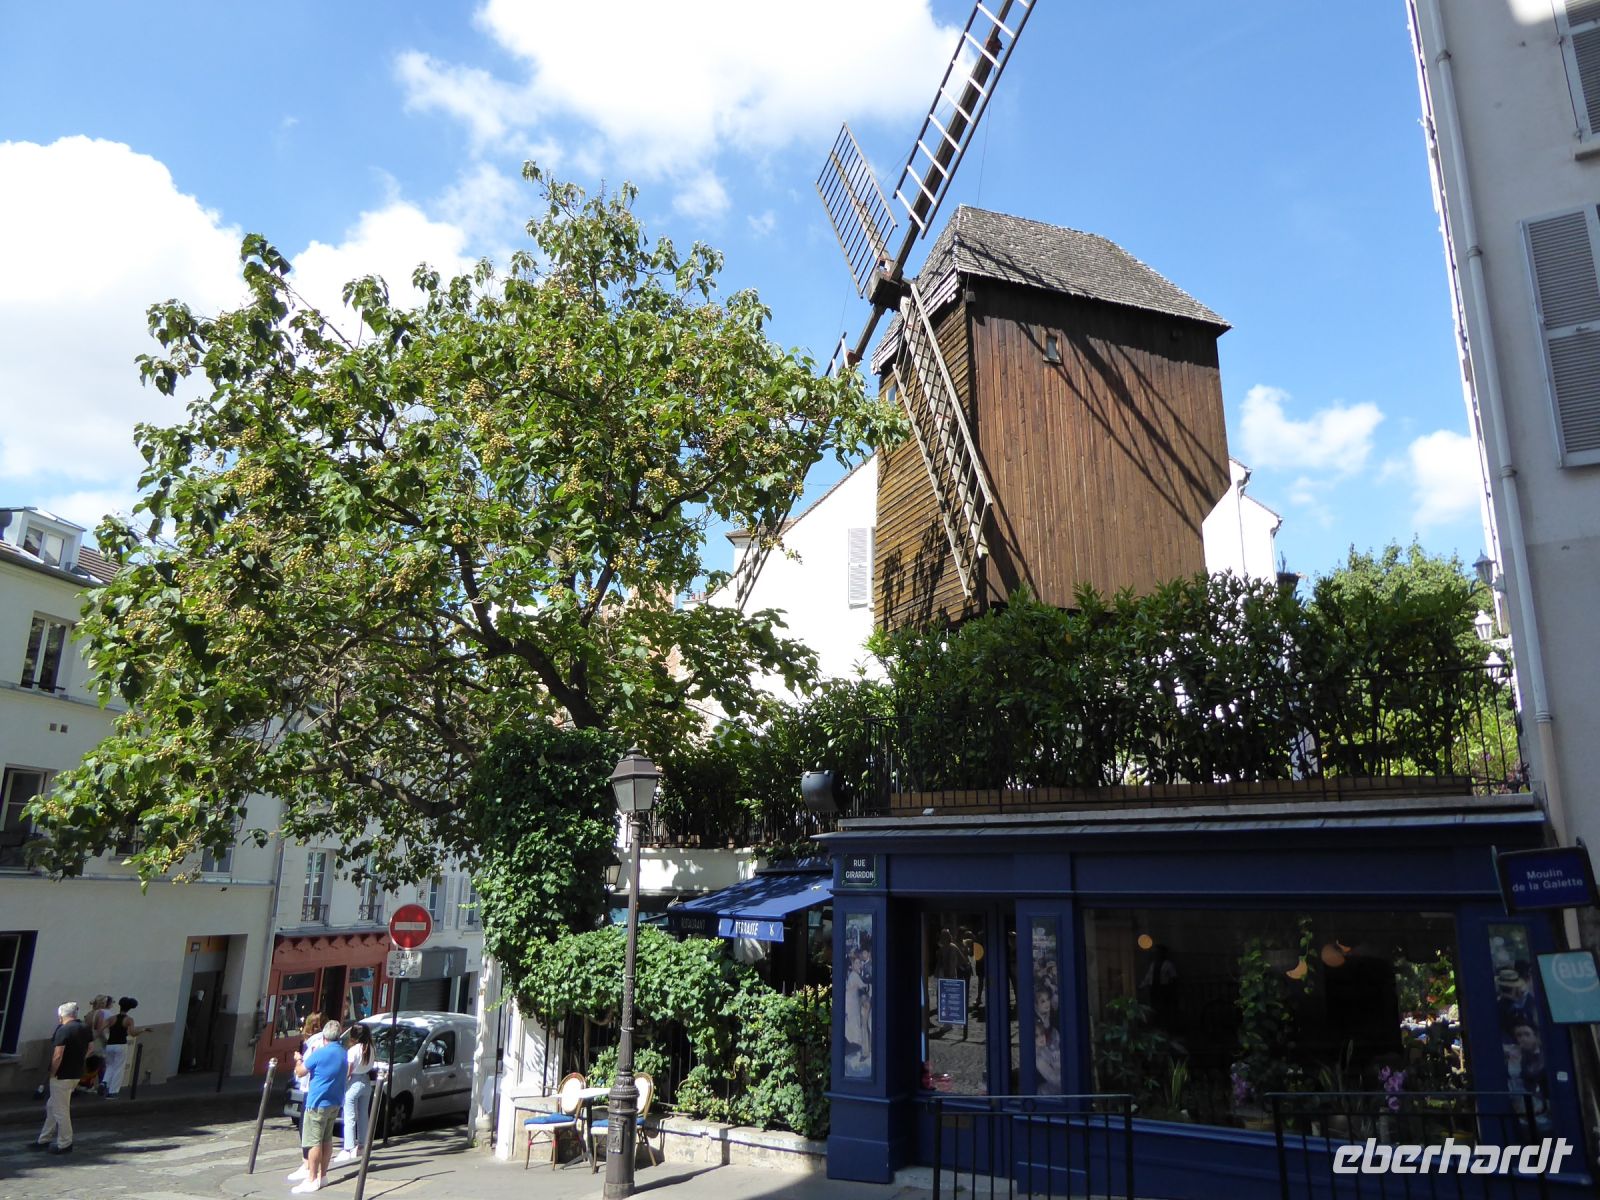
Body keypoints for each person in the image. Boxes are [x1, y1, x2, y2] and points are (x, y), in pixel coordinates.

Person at [293, 1019, 346, 1193]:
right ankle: (323, 1176)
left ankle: (312, 1178)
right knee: (327, 1139)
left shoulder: (320, 1052)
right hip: (335, 1100)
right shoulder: (342, 1052)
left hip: (317, 1101)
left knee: (314, 1141)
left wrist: (298, 1060)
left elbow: (301, 1073)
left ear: (324, 1036)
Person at [35, 1001, 93, 1155]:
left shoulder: (63, 1030)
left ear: (62, 1015)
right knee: (52, 1105)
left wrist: (53, 1072)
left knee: (60, 1110)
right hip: (75, 1072)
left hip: (62, 1074)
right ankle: (44, 1138)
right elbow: (90, 1048)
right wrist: (80, 1060)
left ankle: (65, 1143)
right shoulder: (84, 1028)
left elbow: (58, 1054)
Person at [286, 1012, 328, 1184]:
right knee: (320, 1134)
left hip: (311, 1090)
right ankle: (316, 1170)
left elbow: (304, 1068)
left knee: (307, 1129)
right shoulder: (325, 1042)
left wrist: (298, 1060)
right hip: (320, 1091)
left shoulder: (315, 1043)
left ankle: (308, 1168)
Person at [333, 1023, 373, 1165]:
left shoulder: (353, 1050)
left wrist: (342, 1082)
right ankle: (362, 1145)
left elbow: (348, 1070)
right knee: (363, 1115)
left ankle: (348, 1148)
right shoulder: (370, 1048)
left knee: (349, 1116)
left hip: (354, 1081)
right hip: (366, 1081)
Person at [100, 997, 139, 1096]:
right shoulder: (129, 1020)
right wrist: (143, 1031)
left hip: (110, 1045)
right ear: (129, 1008)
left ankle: (104, 1082)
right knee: (119, 1068)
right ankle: (113, 1092)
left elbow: (100, 1029)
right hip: (121, 1045)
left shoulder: (111, 1018)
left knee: (110, 1066)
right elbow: (132, 1033)